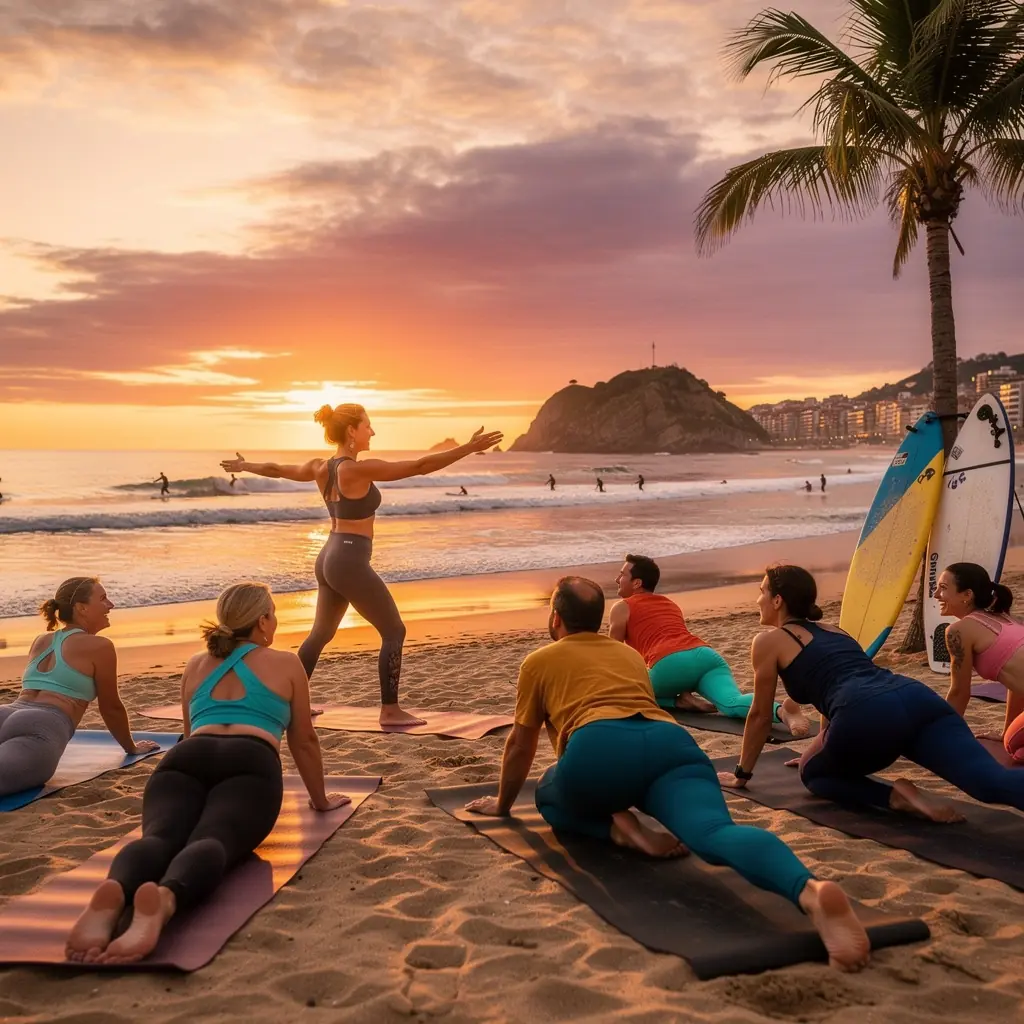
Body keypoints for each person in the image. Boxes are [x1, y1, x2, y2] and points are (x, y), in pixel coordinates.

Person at [466, 578, 870, 971]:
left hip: (599, 750)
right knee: (715, 833)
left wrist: (502, 805)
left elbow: (521, 744)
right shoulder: (627, 656)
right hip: (670, 744)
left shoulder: (538, 661)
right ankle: (810, 891)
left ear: (556, 619)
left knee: (548, 793)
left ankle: (620, 830)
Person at [65, 582, 348, 964]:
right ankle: (165, 900)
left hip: (184, 761)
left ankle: (115, 889)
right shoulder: (286, 662)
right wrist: (321, 800)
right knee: (214, 838)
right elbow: (304, 740)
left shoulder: (198, 663)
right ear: (263, 620)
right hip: (249, 762)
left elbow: (186, 731)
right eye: (274, 614)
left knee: (162, 837)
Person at [221, 405, 502, 727]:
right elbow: (421, 465)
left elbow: (276, 469)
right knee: (394, 630)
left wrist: (245, 466)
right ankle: (390, 710)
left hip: (329, 554)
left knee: (320, 634)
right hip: (349, 558)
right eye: (368, 426)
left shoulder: (319, 467)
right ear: (352, 431)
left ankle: (293, 704)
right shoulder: (356, 470)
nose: (373, 432)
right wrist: (467, 448)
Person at [722, 565, 1024, 824]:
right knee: (990, 783)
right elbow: (837, 690)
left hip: (867, 715)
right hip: (917, 698)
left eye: (761, 591)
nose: (758, 598)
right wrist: (822, 742)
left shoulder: (767, 642)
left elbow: (761, 715)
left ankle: (896, 797)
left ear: (777, 600)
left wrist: (742, 774)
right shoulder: (836, 631)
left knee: (812, 773)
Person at [609, 555, 808, 734]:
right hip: (706, 657)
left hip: (669, 665)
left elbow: (612, 653)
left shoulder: (622, 607)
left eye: (621, 575)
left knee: (624, 692)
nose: (617, 580)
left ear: (636, 583)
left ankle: (677, 701)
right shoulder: (669, 604)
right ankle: (785, 713)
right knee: (731, 703)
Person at [0, 578, 159, 797]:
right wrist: (131, 748)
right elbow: (110, 707)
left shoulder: (41, 640)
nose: (111, 605)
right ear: (81, 608)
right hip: (42, 726)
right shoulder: (100, 646)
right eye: (103, 599)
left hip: (7, 712)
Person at [939, 563, 1024, 762]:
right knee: (1012, 742)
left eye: (943, 588)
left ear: (967, 595)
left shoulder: (958, 630)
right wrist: (1007, 728)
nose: (936, 594)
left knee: (1014, 746)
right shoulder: (1004, 618)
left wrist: (941, 737)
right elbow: (1016, 684)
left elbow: (960, 692)